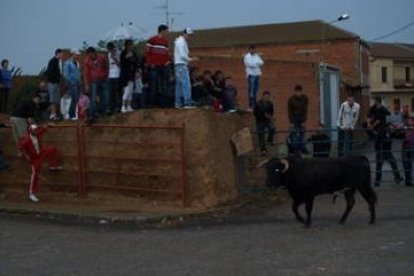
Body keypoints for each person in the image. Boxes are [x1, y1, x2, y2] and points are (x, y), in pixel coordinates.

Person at [18, 124, 62, 202]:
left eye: (36, 130)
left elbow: (43, 129)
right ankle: (31, 193)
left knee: (53, 149)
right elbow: (21, 148)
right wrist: (26, 156)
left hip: (41, 153)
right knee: (35, 174)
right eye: (34, 130)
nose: (36, 131)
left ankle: (52, 166)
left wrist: (48, 125)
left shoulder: (37, 134)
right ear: (30, 131)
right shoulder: (26, 140)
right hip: (34, 158)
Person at [367, 96, 403, 187]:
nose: (372, 102)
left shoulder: (383, 110)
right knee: (380, 162)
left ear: (377, 101)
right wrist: (369, 124)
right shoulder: (373, 108)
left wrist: (371, 125)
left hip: (385, 138)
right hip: (379, 139)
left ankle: (396, 178)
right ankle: (378, 182)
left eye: (373, 100)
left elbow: (381, 120)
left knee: (390, 161)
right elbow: (368, 116)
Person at [146, 24, 170, 108]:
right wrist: (150, 63)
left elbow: (167, 53)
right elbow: (148, 52)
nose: (167, 32)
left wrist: (167, 61)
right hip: (154, 66)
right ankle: (152, 104)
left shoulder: (165, 42)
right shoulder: (152, 40)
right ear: (162, 30)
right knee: (153, 85)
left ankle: (164, 104)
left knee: (164, 85)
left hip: (163, 66)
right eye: (167, 30)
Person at [83, 47, 109, 119]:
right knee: (93, 98)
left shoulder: (102, 58)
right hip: (93, 81)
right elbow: (86, 73)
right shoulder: (87, 61)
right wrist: (87, 84)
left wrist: (106, 76)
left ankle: (104, 112)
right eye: (88, 55)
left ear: (94, 53)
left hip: (103, 80)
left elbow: (106, 67)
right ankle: (91, 114)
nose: (90, 56)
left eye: (90, 55)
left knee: (105, 96)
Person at [174, 27, 196, 109]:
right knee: (186, 84)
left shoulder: (181, 42)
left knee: (179, 85)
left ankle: (178, 103)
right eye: (189, 35)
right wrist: (191, 59)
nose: (190, 37)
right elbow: (183, 55)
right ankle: (187, 102)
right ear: (185, 34)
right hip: (181, 65)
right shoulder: (181, 42)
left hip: (179, 65)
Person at [288, 84, 309, 155]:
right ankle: (295, 149)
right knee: (294, 133)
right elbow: (289, 111)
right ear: (295, 91)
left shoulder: (305, 98)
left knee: (302, 133)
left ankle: (302, 148)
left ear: (301, 91)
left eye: (300, 92)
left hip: (302, 117)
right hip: (294, 117)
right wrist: (291, 122)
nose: (298, 93)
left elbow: (305, 110)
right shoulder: (291, 99)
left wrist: (304, 120)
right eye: (297, 92)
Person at [119, 40, 139, 113]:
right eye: (129, 45)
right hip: (125, 74)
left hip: (132, 73)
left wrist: (137, 71)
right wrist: (127, 57)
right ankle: (123, 106)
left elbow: (137, 62)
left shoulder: (134, 53)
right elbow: (122, 63)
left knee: (131, 91)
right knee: (127, 91)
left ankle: (129, 105)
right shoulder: (123, 53)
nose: (131, 46)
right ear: (126, 46)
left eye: (131, 45)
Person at [254, 91, 275, 155]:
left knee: (272, 128)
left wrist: (270, 117)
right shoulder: (258, 104)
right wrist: (263, 116)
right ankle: (263, 150)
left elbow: (271, 112)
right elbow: (256, 114)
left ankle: (269, 140)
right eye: (265, 97)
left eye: (268, 97)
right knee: (261, 135)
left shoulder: (270, 104)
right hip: (260, 121)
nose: (267, 98)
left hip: (267, 120)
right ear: (263, 97)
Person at [243, 45, 264, 110]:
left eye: (254, 49)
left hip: (257, 74)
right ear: (249, 49)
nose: (253, 50)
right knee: (251, 91)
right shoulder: (247, 56)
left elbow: (262, 62)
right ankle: (250, 105)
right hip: (251, 75)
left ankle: (254, 104)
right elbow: (249, 64)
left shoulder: (257, 56)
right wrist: (257, 64)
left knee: (255, 91)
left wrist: (255, 64)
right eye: (252, 49)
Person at [63, 49, 81, 120]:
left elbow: (78, 73)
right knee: (74, 97)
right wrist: (70, 82)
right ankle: (71, 114)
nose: (77, 56)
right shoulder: (67, 63)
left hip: (78, 82)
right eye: (76, 54)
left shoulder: (77, 63)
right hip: (72, 83)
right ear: (73, 54)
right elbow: (66, 74)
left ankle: (73, 113)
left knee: (76, 98)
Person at [45, 49, 63, 120]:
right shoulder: (53, 61)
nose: (62, 56)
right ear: (58, 54)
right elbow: (50, 72)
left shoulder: (57, 62)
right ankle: (52, 114)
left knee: (56, 99)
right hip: (52, 83)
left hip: (56, 83)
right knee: (52, 99)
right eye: (61, 54)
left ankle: (55, 114)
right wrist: (53, 81)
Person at [107, 42, 121, 113]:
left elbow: (119, 65)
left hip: (117, 74)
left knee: (118, 92)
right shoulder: (109, 54)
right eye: (109, 50)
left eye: (111, 49)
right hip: (110, 75)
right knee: (111, 92)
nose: (110, 51)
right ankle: (111, 107)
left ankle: (118, 107)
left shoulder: (119, 53)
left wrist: (114, 57)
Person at [401, 116, 414, 187]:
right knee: (405, 164)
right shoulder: (405, 128)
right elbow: (399, 131)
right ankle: (407, 180)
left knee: (409, 164)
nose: (409, 122)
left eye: (410, 121)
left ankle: (409, 180)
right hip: (405, 148)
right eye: (408, 121)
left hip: (411, 148)